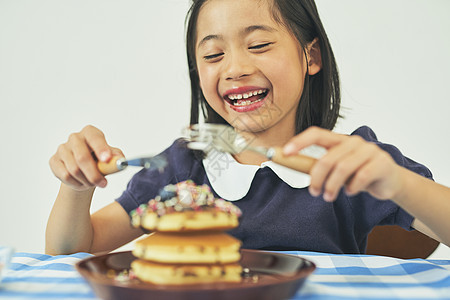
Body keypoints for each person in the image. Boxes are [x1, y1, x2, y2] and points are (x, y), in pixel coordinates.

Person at [45, 0, 450, 255]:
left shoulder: (348, 163)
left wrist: (396, 183)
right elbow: (74, 249)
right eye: (213, 53)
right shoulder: (183, 167)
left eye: (258, 45)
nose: (236, 68)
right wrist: (76, 187)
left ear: (311, 57)